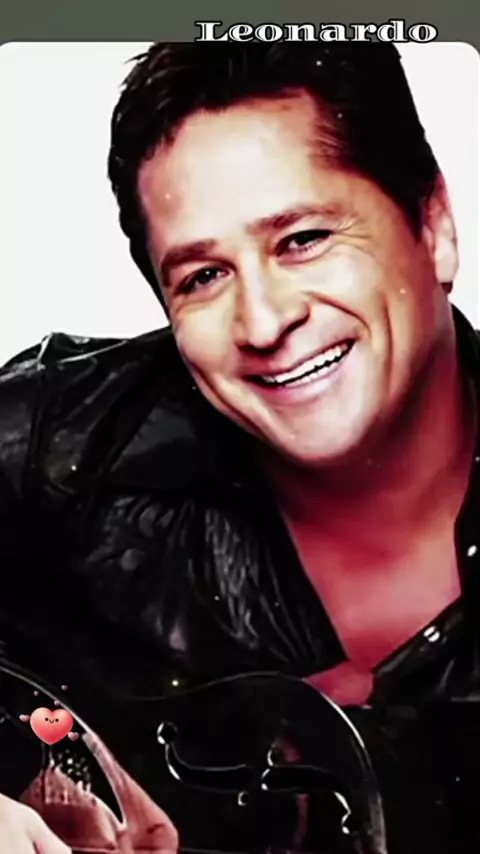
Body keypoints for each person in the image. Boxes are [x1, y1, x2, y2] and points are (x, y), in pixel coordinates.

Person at [0, 40, 479, 853]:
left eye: (303, 239)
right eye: (203, 277)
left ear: (433, 226)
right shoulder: (66, 447)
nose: (263, 322)